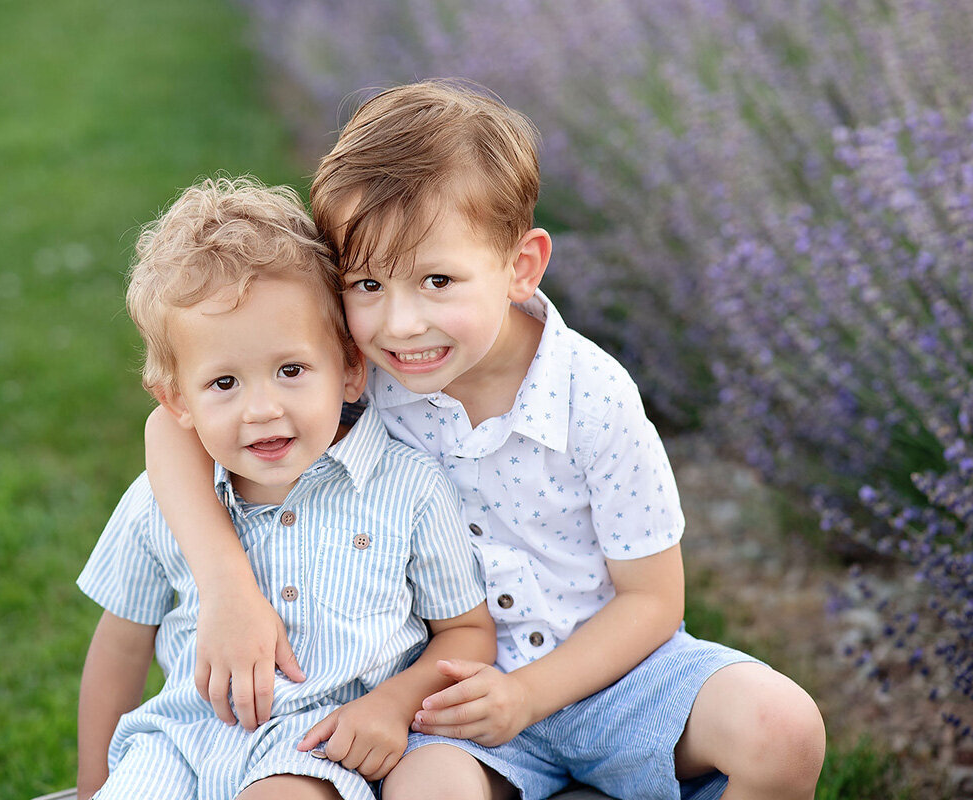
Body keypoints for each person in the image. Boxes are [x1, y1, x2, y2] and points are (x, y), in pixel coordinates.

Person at [144, 82, 827, 800]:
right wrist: (227, 588)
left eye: (437, 279)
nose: (400, 323)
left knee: (783, 727)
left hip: (622, 678)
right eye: (367, 283)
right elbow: (170, 425)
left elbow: (652, 602)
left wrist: (530, 694)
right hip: (446, 703)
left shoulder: (592, 395)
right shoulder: (363, 375)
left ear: (520, 267)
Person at [76, 176, 496, 800]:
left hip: (312, 750)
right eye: (224, 384)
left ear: (351, 370)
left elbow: (465, 631)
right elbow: (120, 641)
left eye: (291, 370)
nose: (263, 409)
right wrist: (94, 784)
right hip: (177, 743)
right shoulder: (160, 500)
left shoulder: (407, 489)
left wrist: (393, 703)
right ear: (177, 401)